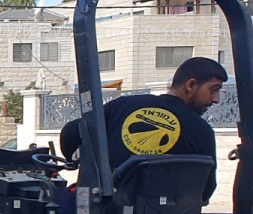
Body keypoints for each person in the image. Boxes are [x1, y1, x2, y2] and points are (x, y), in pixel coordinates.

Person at [60, 57, 227, 204]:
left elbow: (70, 134)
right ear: (191, 85)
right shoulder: (202, 131)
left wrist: (76, 160)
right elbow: (205, 191)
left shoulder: (123, 106)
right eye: (214, 89)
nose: (216, 99)